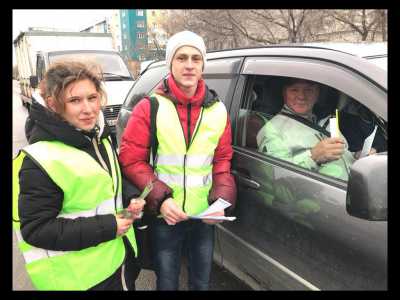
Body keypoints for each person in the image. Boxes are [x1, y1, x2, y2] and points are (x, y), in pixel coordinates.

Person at [119, 30, 237, 290]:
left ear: (203, 64)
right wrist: (161, 201)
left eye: (196, 58)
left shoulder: (218, 110)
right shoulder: (150, 107)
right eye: (181, 57)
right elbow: (131, 160)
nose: (189, 64)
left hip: (203, 218)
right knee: (168, 283)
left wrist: (221, 201)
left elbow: (222, 160)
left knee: (201, 283)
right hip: (165, 217)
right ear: (170, 63)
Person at [12, 61, 145, 290]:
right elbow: (36, 229)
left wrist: (131, 196)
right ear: (54, 105)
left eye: (92, 98)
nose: (88, 109)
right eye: (75, 100)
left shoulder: (97, 137)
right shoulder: (40, 160)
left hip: (116, 264)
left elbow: (110, 180)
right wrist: (109, 225)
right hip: (79, 280)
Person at [256, 78, 357, 181]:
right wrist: (313, 156)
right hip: (321, 195)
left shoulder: (325, 121)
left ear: (317, 93)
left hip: (352, 190)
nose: (301, 96)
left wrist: (356, 156)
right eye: (294, 90)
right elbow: (276, 177)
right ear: (284, 93)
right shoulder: (272, 129)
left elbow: (341, 152)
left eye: (308, 90)